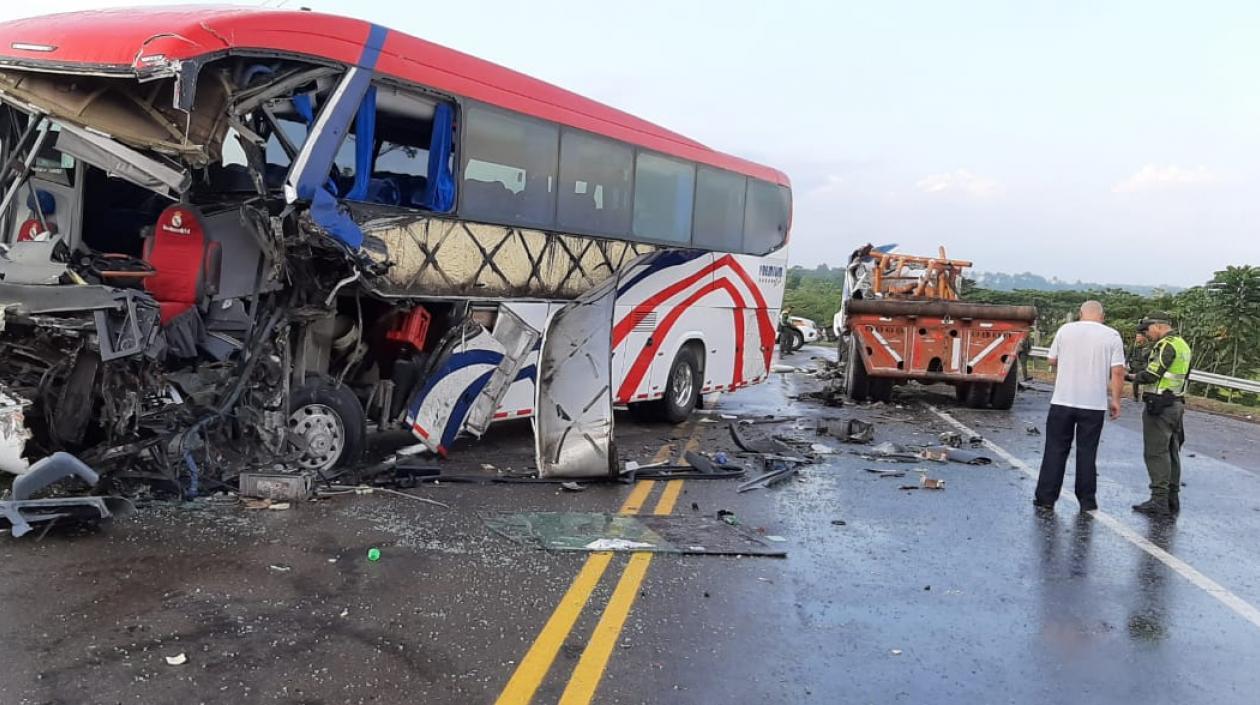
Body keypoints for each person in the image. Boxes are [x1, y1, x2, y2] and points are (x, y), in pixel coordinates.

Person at [1033, 301, 1126, 512]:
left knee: (1055, 449)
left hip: (1063, 400)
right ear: (1102, 315)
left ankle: (1045, 498)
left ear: (1080, 313)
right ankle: (1087, 501)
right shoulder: (1111, 335)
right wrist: (1116, 400)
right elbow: (1118, 372)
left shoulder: (1066, 330)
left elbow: (1052, 359)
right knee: (1087, 452)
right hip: (1093, 404)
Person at [1126, 312, 1192, 516]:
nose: (1146, 333)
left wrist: (1128, 376)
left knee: (1156, 452)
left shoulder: (1166, 345)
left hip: (1160, 405)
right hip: (1176, 403)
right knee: (1171, 452)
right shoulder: (1182, 344)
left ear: (1158, 326)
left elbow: (1152, 374)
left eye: (1147, 329)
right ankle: (1172, 498)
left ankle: (1159, 500)